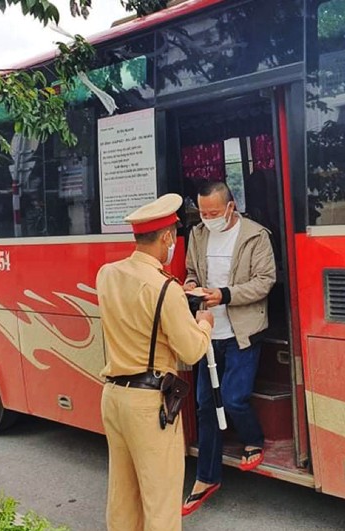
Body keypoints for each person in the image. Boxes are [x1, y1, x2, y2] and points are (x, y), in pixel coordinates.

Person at [97, 193, 214, 531]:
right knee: (160, 502)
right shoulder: (166, 288)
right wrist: (204, 323)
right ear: (165, 238)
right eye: (173, 238)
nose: (174, 245)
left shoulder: (107, 274)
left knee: (122, 495)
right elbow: (191, 350)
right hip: (149, 406)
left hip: (114, 397)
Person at [181, 181, 276, 516]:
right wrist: (191, 285)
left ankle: (254, 440)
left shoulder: (255, 235)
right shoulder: (198, 234)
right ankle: (206, 478)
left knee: (235, 397)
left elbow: (265, 281)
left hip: (243, 331)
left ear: (231, 207)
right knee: (205, 405)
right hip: (208, 331)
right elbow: (192, 271)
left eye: (214, 213)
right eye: (203, 213)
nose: (207, 219)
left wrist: (226, 294)